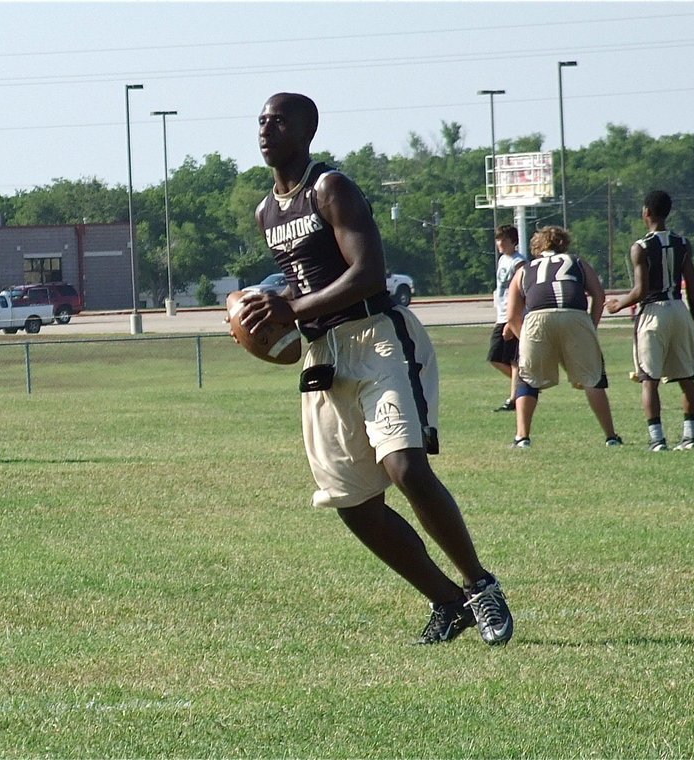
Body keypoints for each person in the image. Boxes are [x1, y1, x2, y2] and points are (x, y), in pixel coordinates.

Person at [234, 92, 513, 646]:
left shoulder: (329, 187)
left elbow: (368, 274)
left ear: (306, 130)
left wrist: (293, 307)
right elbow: (306, 282)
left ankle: (480, 585)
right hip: (325, 355)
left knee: (405, 467)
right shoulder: (267, 210)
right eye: (261, 121)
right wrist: (269, 318)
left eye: (278, 121)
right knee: (351, 501)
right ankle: (447, 601)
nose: (265, 129)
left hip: (378, 337)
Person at [505, 225, 623, 449]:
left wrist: (525, 338)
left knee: (527, 378)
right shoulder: (577, 262)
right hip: (575, 316)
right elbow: (598, 295)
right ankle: (610, 436)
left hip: (537, 319)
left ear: (537, 246)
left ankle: (522, 437)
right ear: (564, 244)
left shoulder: (524, 269)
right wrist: (591, 325)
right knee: (593, 377)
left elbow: (512, 314)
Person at [605, 190, 694, 451]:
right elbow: (692, 287)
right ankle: (689, 437)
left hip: (653, 311)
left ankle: (658, 439)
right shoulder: (683, 243)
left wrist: (618, 304)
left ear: (646, 212)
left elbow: (640, 290)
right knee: (686, 377)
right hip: (678, 308)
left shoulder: (641, 246)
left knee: (648, 378)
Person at [488, 225, 526, 412]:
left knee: (513, 359)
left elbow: (522, 293)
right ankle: (524, 387)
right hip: (502, 315)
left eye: (504, 240)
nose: (499, 243)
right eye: (498, 239)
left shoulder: (519, 263)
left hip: (513, 316)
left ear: (514, 242)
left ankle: (514, 398)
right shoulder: (503, 259)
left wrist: (512, 322)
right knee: (495, 357)